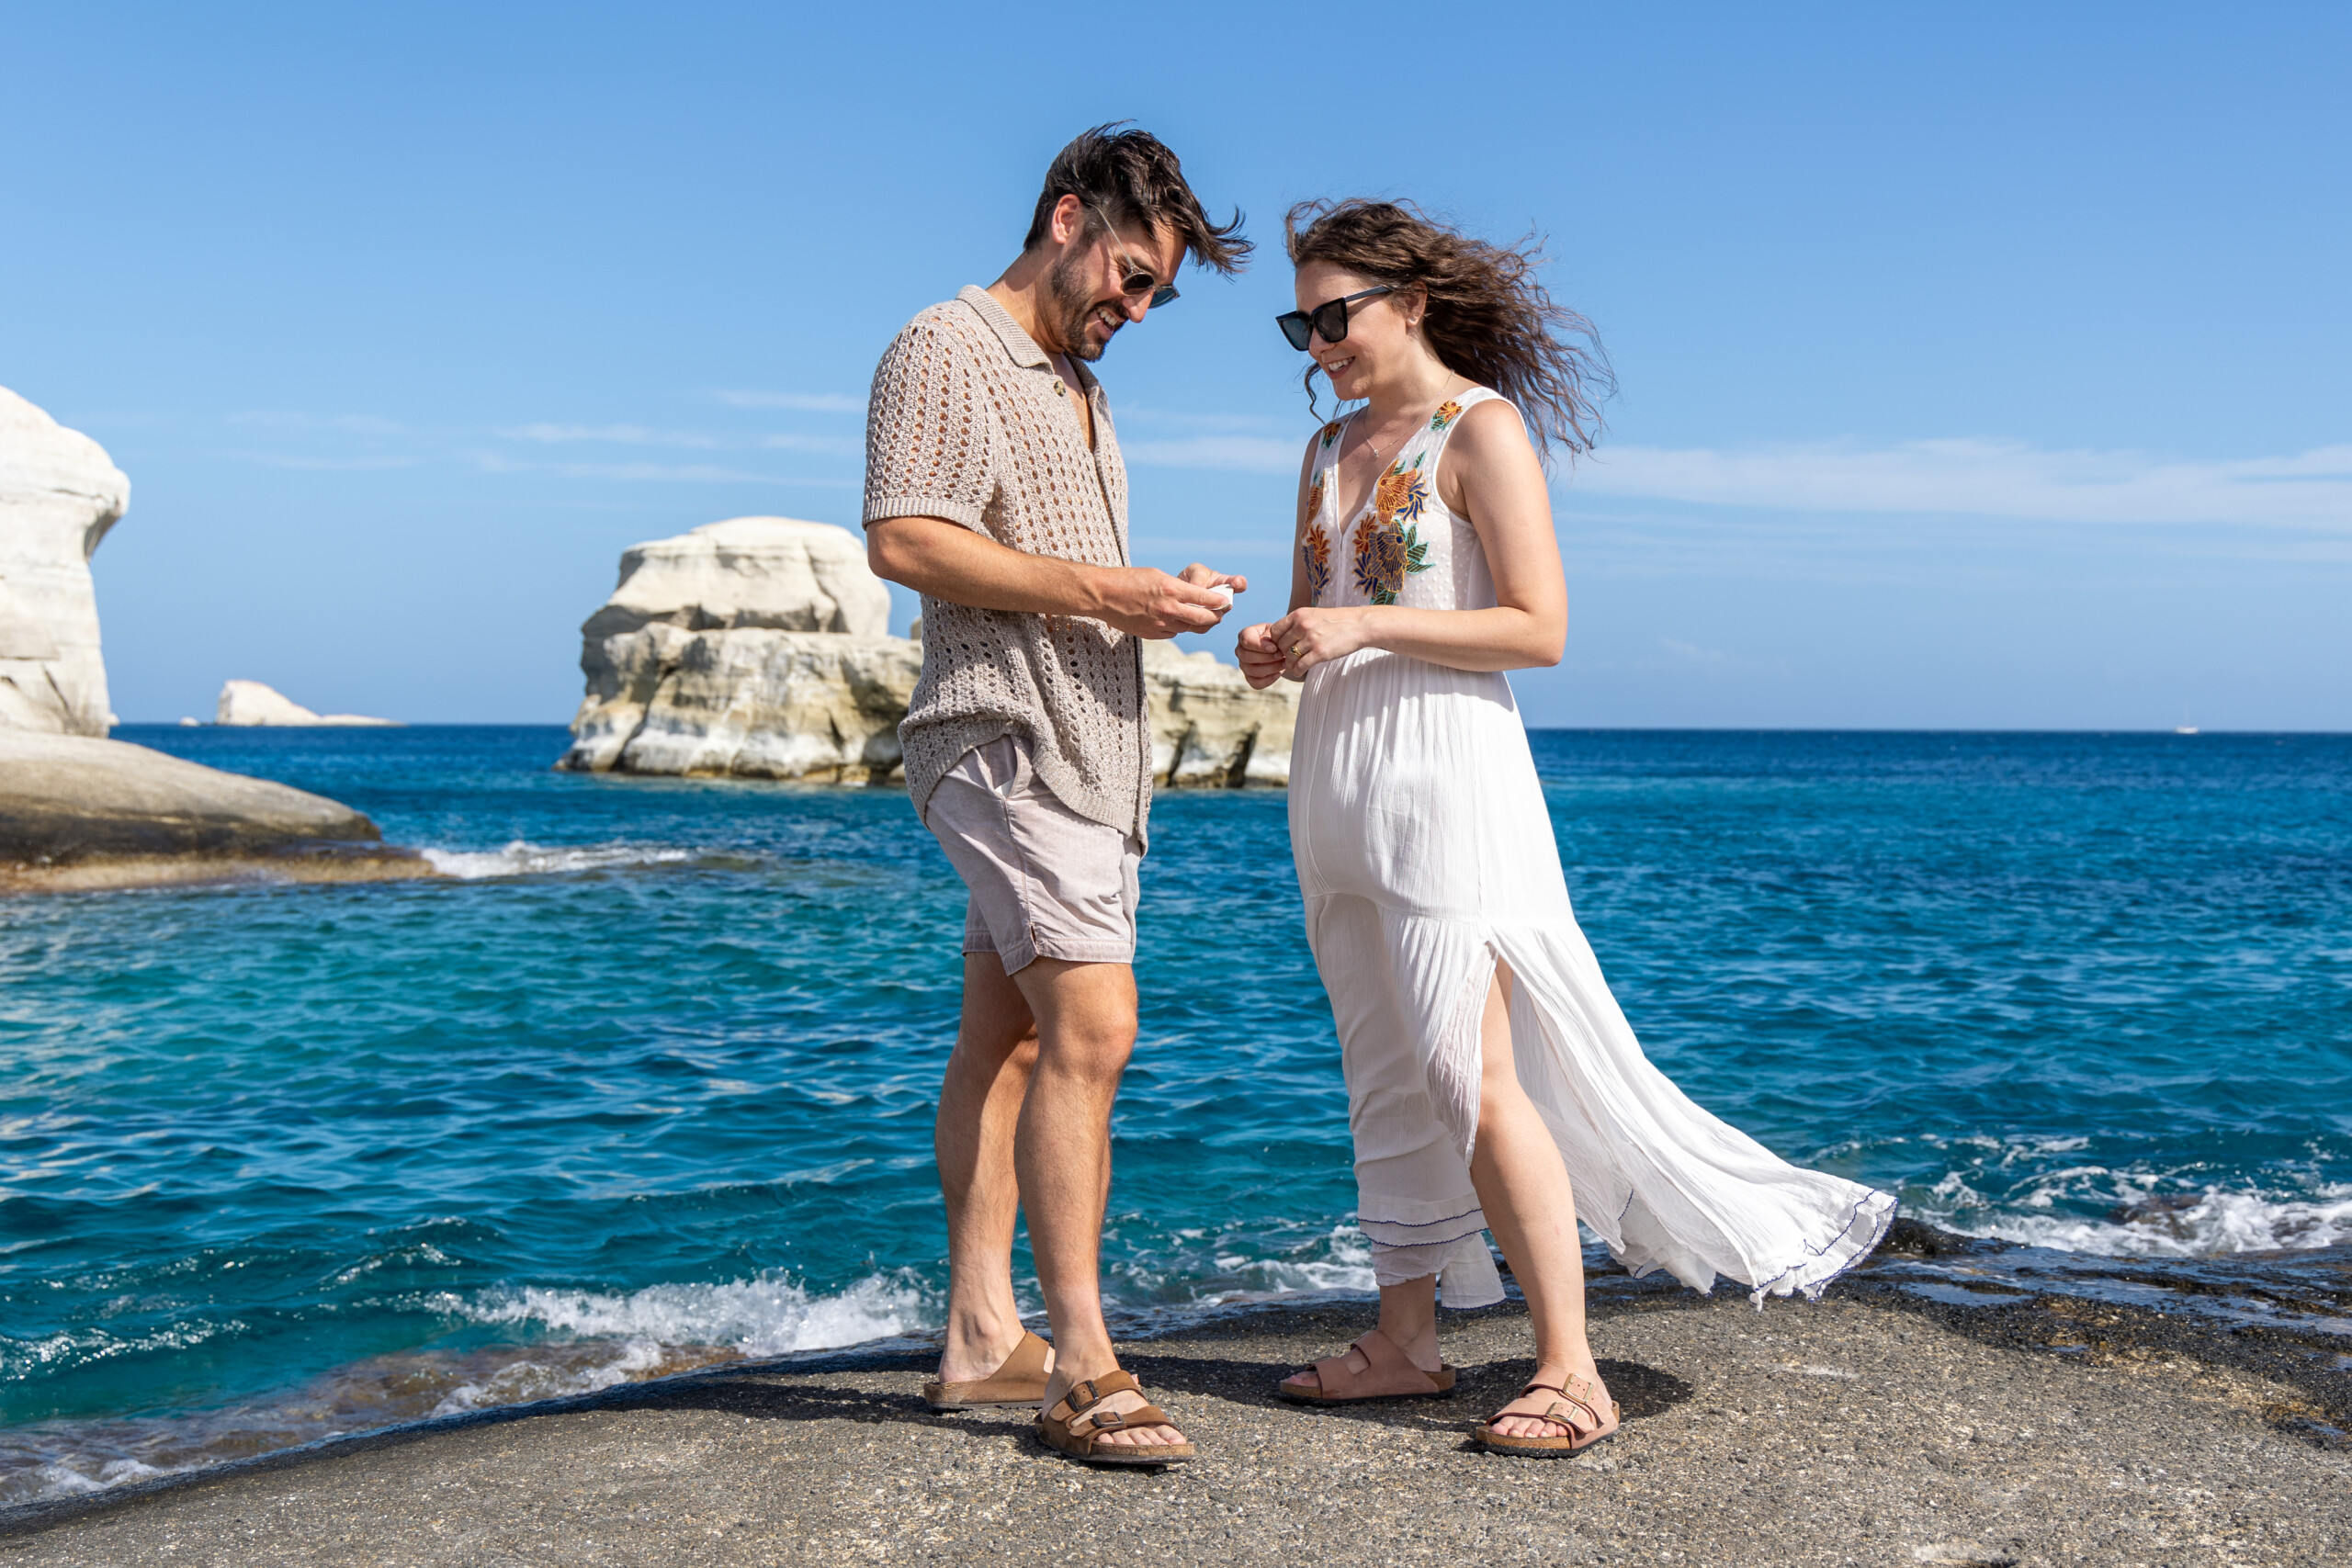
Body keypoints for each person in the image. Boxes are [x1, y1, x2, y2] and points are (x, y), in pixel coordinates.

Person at [1236, 200, 1894, 1457]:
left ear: (1411, 302)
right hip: (1334, 778)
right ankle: (1405, 1340)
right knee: (1383, 1069)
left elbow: (1538, 628)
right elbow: (1323, 607)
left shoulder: (1478, 429)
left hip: (1448, 777)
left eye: (1336, 316)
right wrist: (1283, 645)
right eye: (1299, 322)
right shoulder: (1322, 450)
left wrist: (1360, 627)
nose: (1317, 344)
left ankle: (1569, 1365)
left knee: (1469, 1072)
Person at [862, 125, 1250, 1466]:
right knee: (1097, 1024)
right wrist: (1110, 594)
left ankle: (980, 1335)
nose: (1134, 309)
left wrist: (1153, 604)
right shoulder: (946, 347)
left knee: (1015, 1038)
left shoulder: (1080, 383)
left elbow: (1055, 563)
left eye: (1154, 294)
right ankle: (1083, 1363)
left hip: (1088, 752)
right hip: (1000, 739)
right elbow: (904, 535)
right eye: (1130, 276)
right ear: (1069, 216)